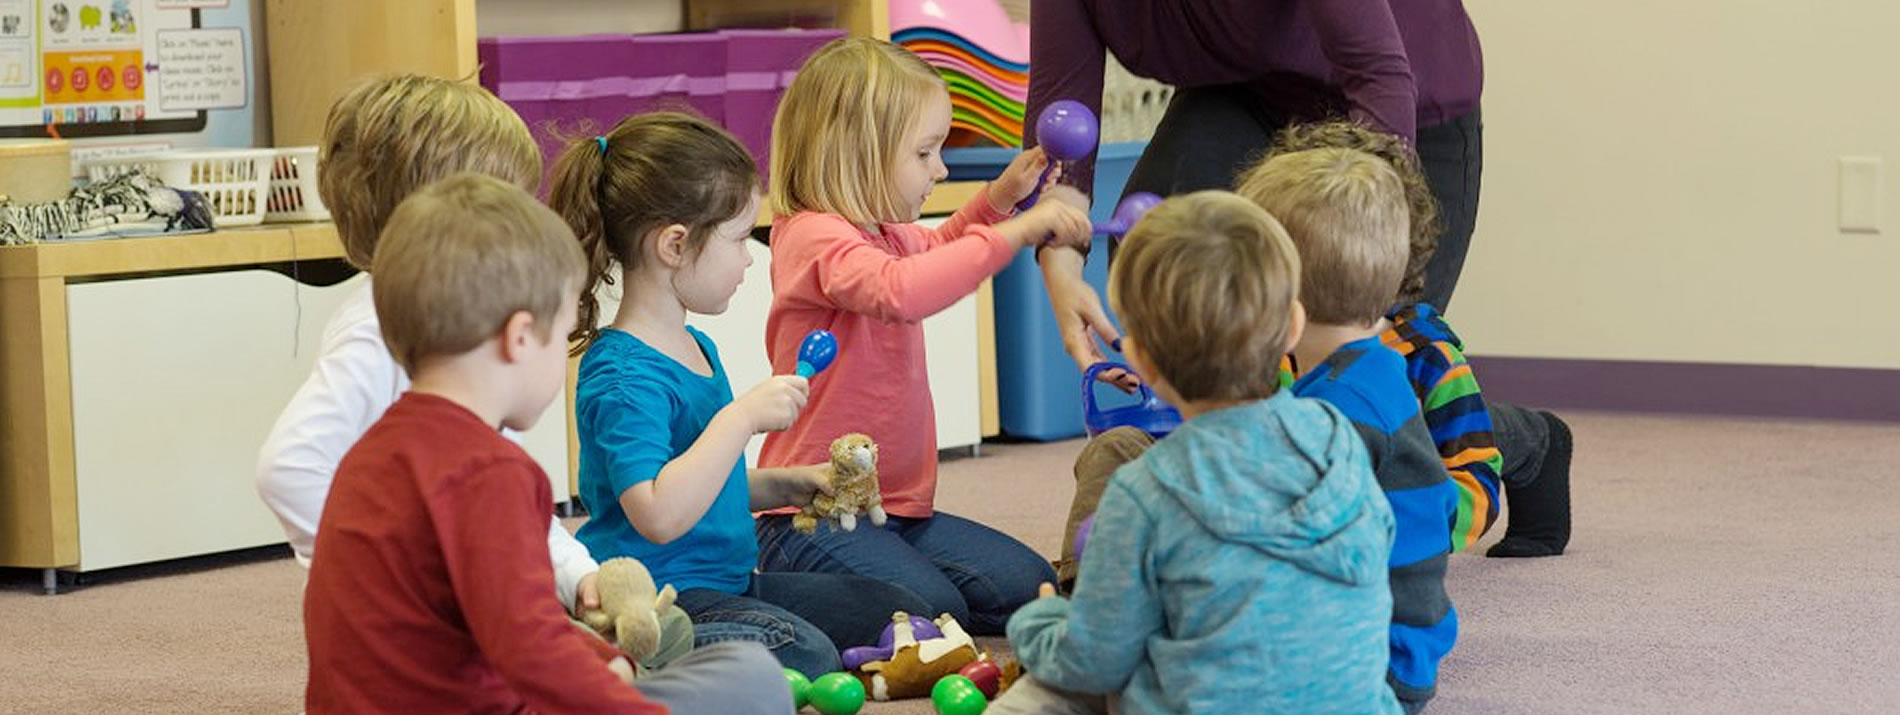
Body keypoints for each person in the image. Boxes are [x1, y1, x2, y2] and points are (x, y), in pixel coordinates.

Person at [303, 173, 789, 714]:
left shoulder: (370, 453)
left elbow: (496, 621)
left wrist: (599, 663)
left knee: (719, 671)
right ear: (519, 338)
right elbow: (529, 650)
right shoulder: (490, 471)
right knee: (752, 679)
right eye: (561, 336)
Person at [251, 76, 693, 657]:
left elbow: (511, 503)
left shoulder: (461, 332)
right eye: (504, 205)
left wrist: (576, 575)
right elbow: (289, 466)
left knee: (671, 635)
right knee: (712, 668)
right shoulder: (377, 332)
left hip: (491, 602)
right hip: (432, 631)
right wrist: (390, 576)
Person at [551, 111, 934, 678]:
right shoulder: (622, 375)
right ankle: (621, 650)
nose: (749, 258)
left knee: (901, 611)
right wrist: (740, 419)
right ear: (675, 246)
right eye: (737, 239)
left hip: (731, 582)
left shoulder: (696, 344)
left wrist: (784, 485)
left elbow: (703, 482)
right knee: (806, 651)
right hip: (663, 597)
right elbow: (656, 513)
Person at [994, 191, 1401, 715]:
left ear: (1139, 357)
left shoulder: (1144, 493)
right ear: (1293, 327)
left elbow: (1093, 662)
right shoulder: (1339, 438)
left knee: (1041, 691)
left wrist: (1040, 623)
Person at [754, 36, 1093, 634]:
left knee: (1030, 585)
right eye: (926, 152)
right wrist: (1014, 236)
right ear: (858, 152)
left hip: (899, 510)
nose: (940, 169)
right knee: (930, 610)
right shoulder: (812, 236)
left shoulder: (880, 230)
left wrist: (998, 201)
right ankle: (773, 580)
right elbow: (900, 291)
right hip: (813, 514)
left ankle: (893, 578)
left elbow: (937, 249)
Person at [1026, 0, 1485, 387]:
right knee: (1162, 252)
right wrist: (1061, 265)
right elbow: (1064, 119)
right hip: (1244, 92)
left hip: (1401, 112)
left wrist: (1356, 238)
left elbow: (1377, 75)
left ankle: (1529, 441)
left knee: (1358, 374)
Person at [1261, 121, 1571, 557]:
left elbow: (1475, 485)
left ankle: (1542, 440)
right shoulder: (1264, 344)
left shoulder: (1426, 358)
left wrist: (1396, 524)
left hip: (1426, 449)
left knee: (1462, 425)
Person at [1240, 147, 1460, 711]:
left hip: (1364, 669)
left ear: (1275, 293)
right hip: (1399, 648)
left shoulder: (1333, 418)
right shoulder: (1375, 370)